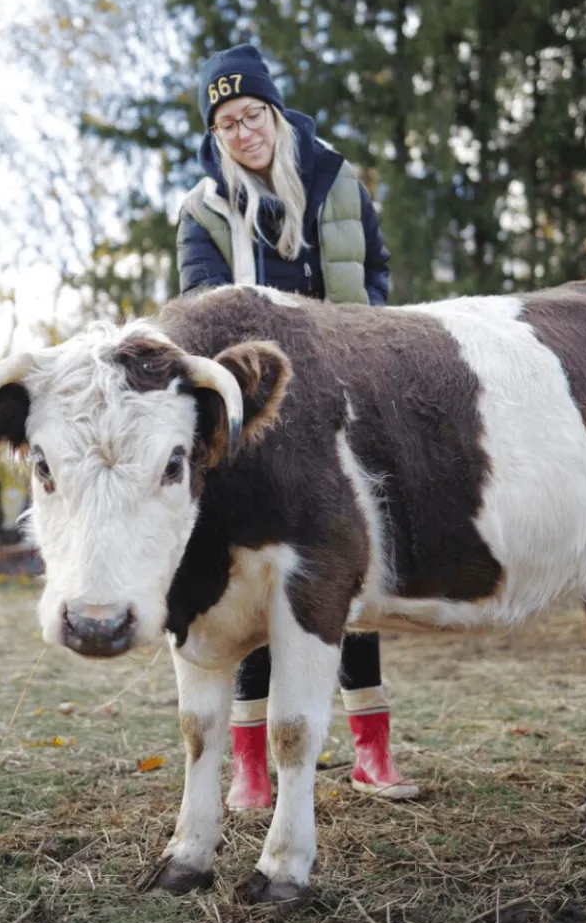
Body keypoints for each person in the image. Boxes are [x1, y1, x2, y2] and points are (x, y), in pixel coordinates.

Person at [175, 43, 418, 809]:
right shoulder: (203, 211)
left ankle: (372, 753)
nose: (243, 133)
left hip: (346, 402)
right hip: (256, 412)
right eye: (226, 125)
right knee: (253, 578)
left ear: (274, 114)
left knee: (346, 569)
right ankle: (249, 765)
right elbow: (206, 311)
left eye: (251, 116)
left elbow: (374, 269)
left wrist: (364, 338)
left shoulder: (336, 179)